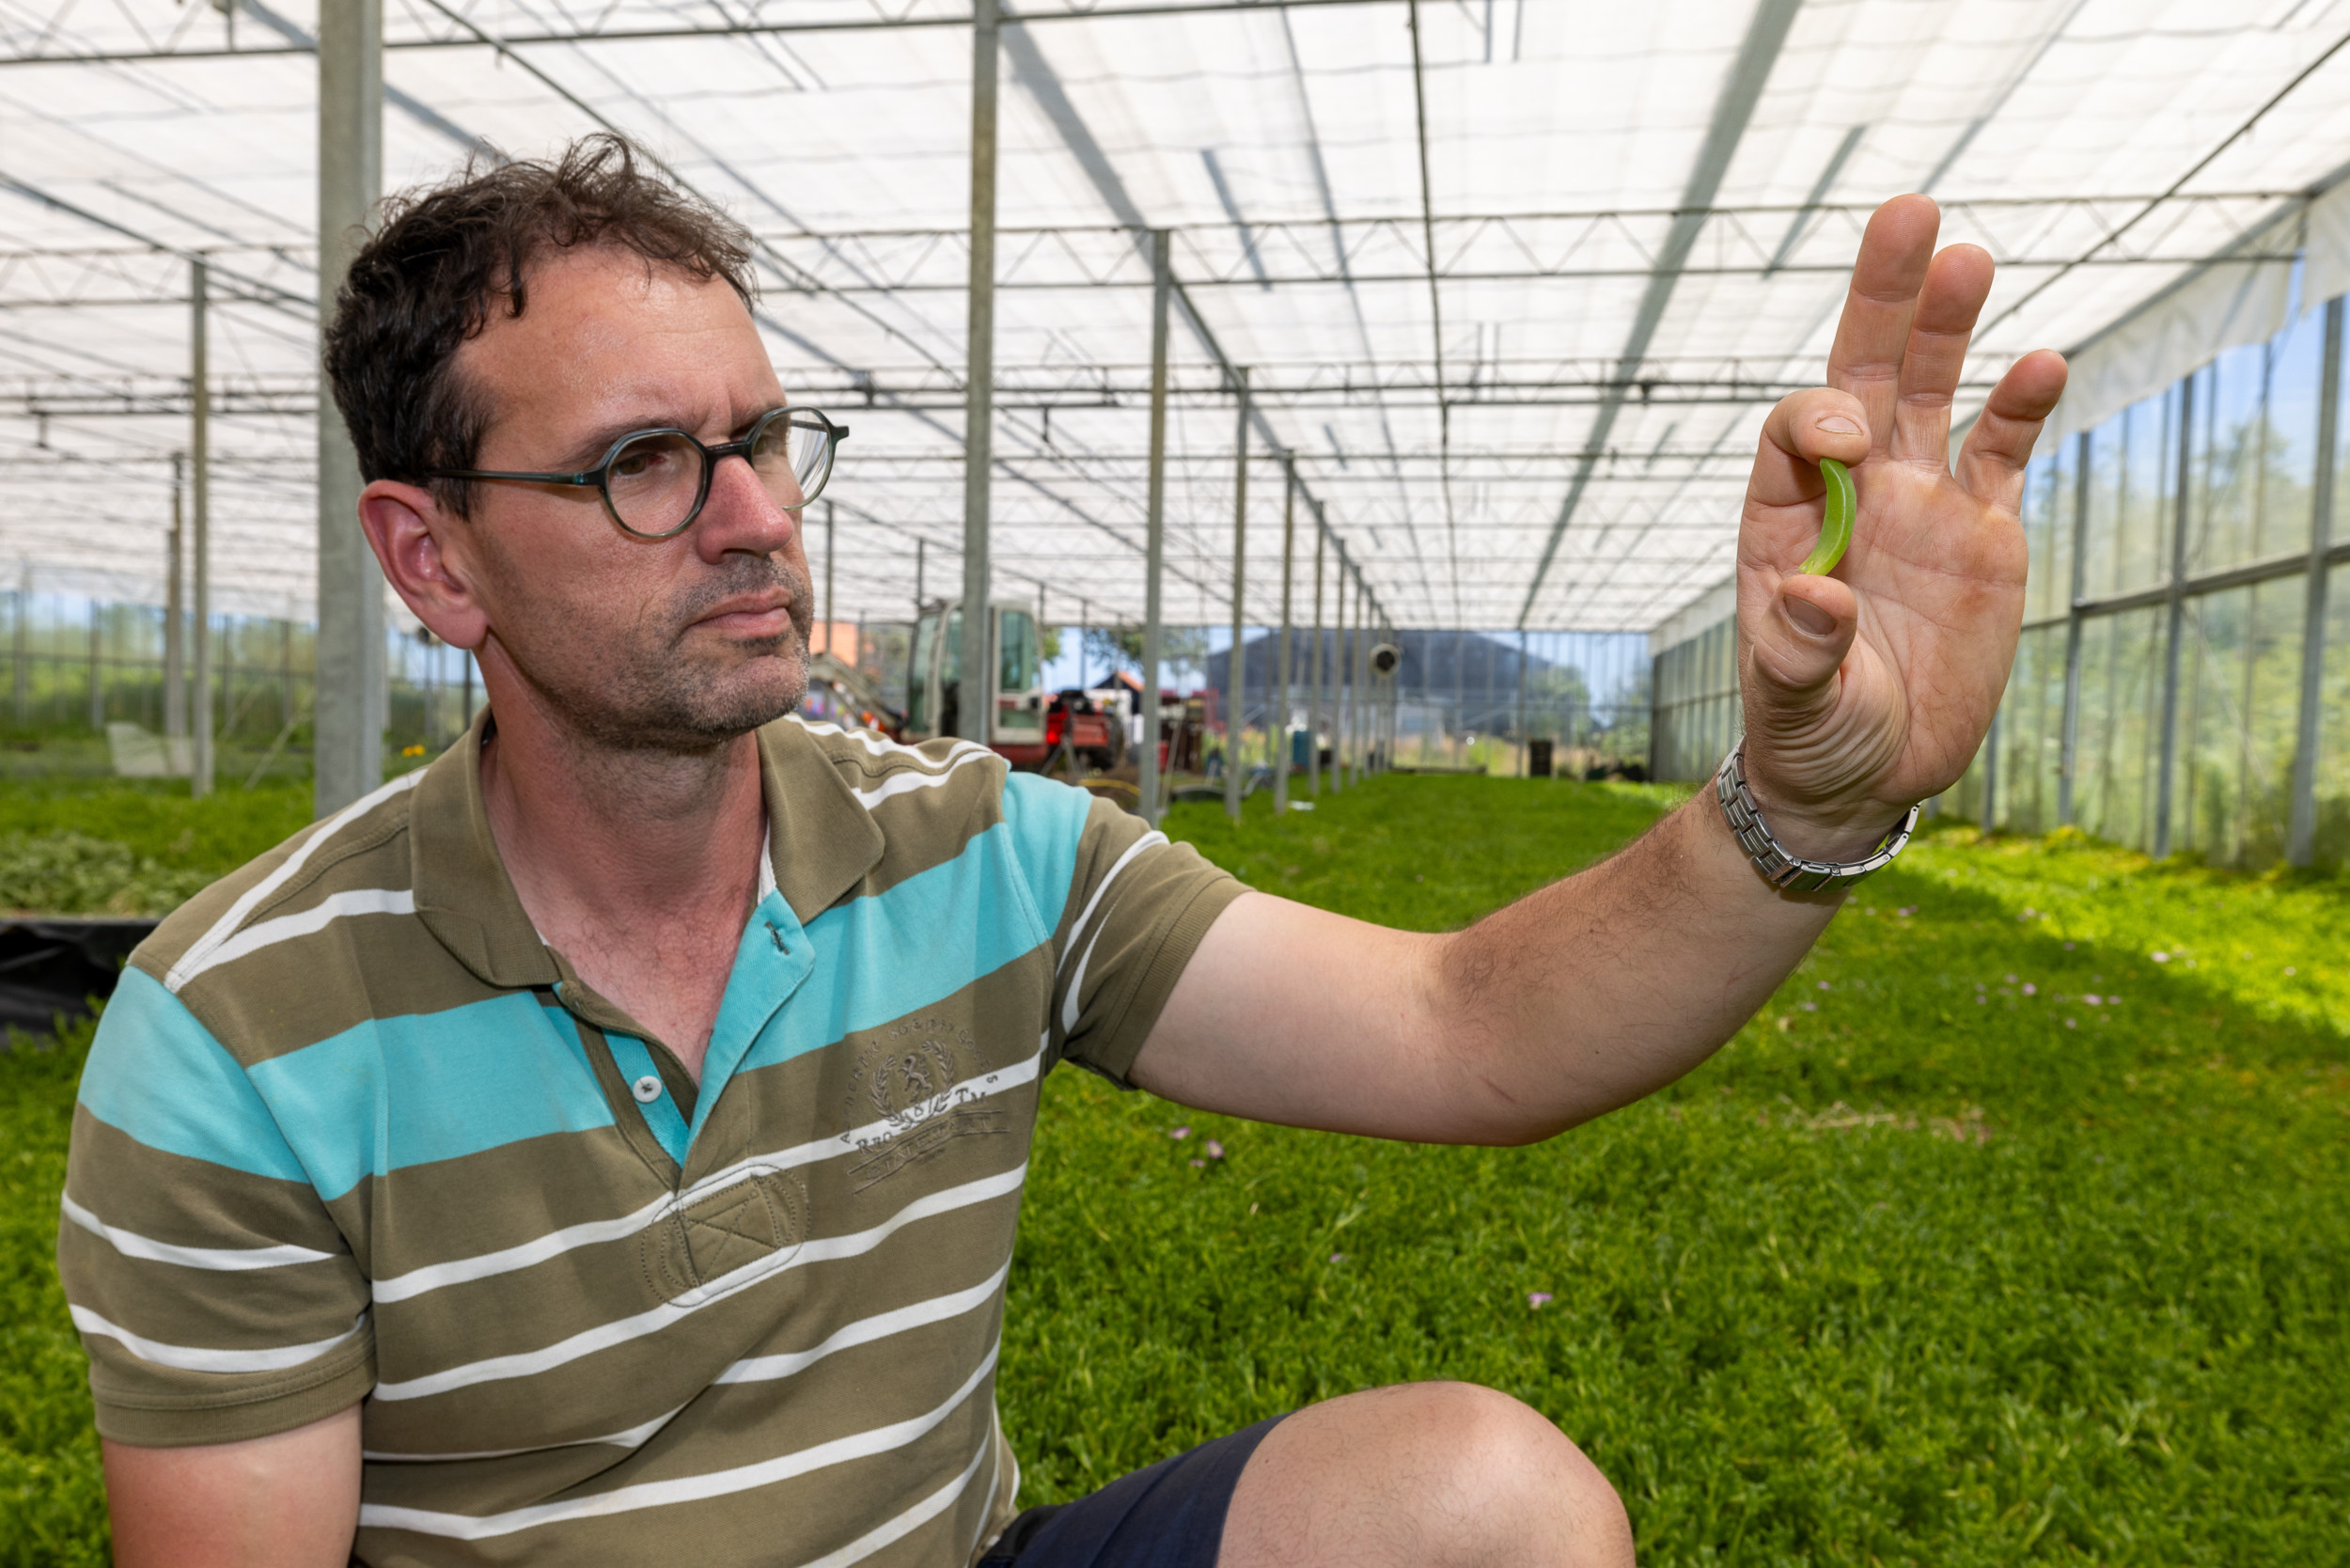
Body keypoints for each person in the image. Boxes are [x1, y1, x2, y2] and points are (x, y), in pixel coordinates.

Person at [58, 136, 2065, 1568]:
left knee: (1486, 1506)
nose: (753, 512)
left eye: (763, 438)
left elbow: (1471, 1031)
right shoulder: (242, 1036)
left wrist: (1803, 811)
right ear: (433, 558)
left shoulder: (988, 858)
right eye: (645, 465)